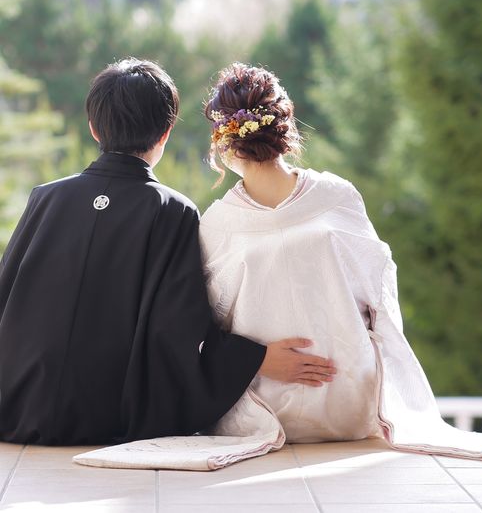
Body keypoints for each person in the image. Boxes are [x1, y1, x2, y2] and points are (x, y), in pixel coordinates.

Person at [195, 63, 482, 465]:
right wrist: (260, 360)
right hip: (266, 409)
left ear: (223, 141)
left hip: (346, 402)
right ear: (285, 123)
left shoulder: (333, 197)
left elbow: (376, 293)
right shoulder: (222, 222)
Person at [0, 58, 335, 446]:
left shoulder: (45, 198)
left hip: (17, 407)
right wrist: (254, 359)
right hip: (108, 416)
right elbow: (178, 326)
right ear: (166, 132)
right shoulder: (171, 210)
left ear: (93, 127)